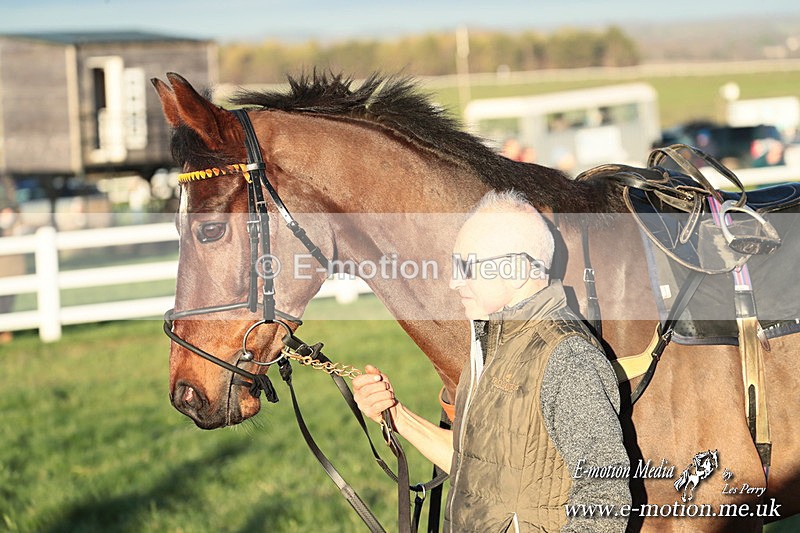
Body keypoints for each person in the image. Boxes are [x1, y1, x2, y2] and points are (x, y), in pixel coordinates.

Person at [353, 189, 630, 532]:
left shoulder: (567, 357)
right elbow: (476, 468)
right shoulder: (490, 345)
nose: (455, 282)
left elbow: (606, 495)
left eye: (467, 266)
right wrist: (396, 416)